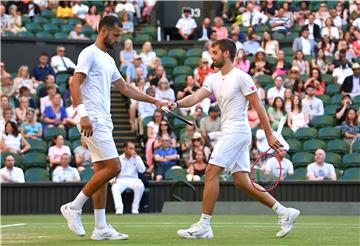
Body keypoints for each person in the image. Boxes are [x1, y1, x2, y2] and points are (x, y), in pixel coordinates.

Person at [168, 39, 299, 239]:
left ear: (226, 54)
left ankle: (204, 225)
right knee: (242, 181)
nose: (211, 56)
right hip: (229, 131)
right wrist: (175, 104)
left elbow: (259, 107)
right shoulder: (212, 79)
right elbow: (195, 97)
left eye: (214, 52)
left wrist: (269, 134)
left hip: (237, 131)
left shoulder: (242, 77)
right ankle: (284, 212)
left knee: (211, 172)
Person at [60, 16, 165, 241]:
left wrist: (154, 101)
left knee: (102, 173)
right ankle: (74, 207)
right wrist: (82, 114)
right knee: (115, 167)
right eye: (116, 35)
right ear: (103, 31)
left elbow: (125, 88)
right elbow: (74, 83)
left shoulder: (108, 59)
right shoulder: (88, 53)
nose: (118, 39)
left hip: (103, 119)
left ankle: (100, 228)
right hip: (92, 118)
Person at [111, 142, 146, 215]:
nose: (133, 150)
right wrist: (112, 180)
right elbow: (113, 170)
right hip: (121, 179)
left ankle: (135, 208)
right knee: (114, 187)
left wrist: (136, 159)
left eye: (133, 148)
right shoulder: (119, 158)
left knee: (140, 185)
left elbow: (142, 170)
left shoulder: (137, 158)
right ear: (125, 149)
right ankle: (119, 209)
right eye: (131, 148)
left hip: (134, 180)